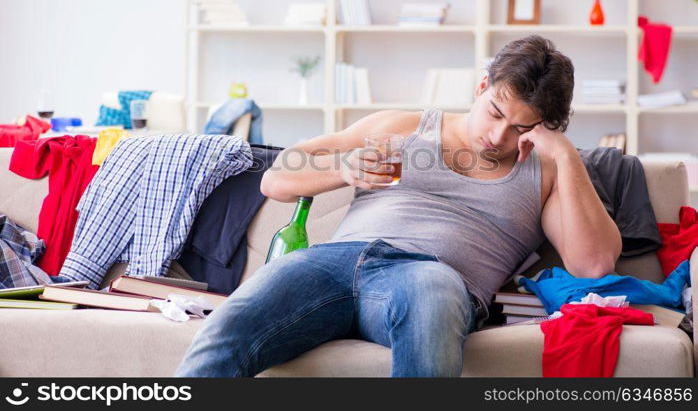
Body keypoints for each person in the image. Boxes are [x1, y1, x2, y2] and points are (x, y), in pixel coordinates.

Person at [175, 35, 622, 377]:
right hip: (329, 264)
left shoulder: (545, 170)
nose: (498, 137)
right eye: (495, 112)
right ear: (482, 85)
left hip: (431, 275)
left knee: (430, 291)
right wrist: (345, 169)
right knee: (226, 330)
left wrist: (565, 154)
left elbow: (594, 264)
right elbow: (276, 179)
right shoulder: (405, 124)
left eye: (521, 127)